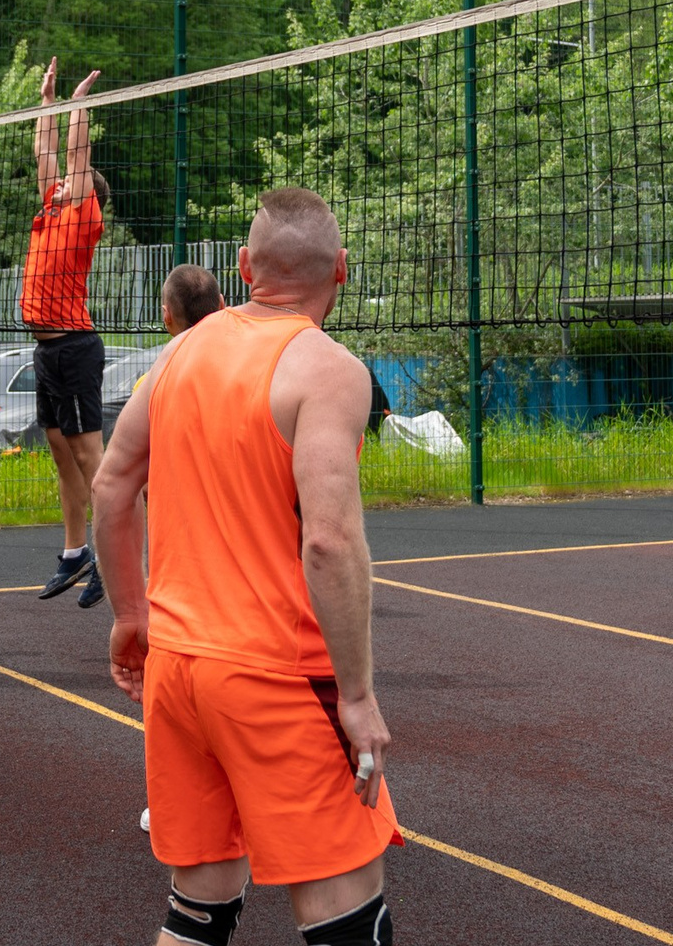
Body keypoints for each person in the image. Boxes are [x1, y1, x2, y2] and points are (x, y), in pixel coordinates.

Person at [96, 187, 401, 946]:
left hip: (178, 671)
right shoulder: (329, 370)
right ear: (341, 270)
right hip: (273, 676)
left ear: (242, 267)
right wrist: (358, 695)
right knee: (349, 923)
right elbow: (329, 542)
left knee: (198, 913)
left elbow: (110, 485)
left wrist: (132, 618)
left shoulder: (177, 352)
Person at [27, 59, 111, 609]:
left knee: (89, 457)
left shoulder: (83, 217)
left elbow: (76, 160)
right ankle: (74, 551)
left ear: (84, 195)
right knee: (60, 451)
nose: (54, 187)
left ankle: (112, 554)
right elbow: (46, 154)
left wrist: (79, 104)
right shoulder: (49, 214)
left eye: (65, 186)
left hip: (75, 348)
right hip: (45, 350)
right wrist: (48, 102)